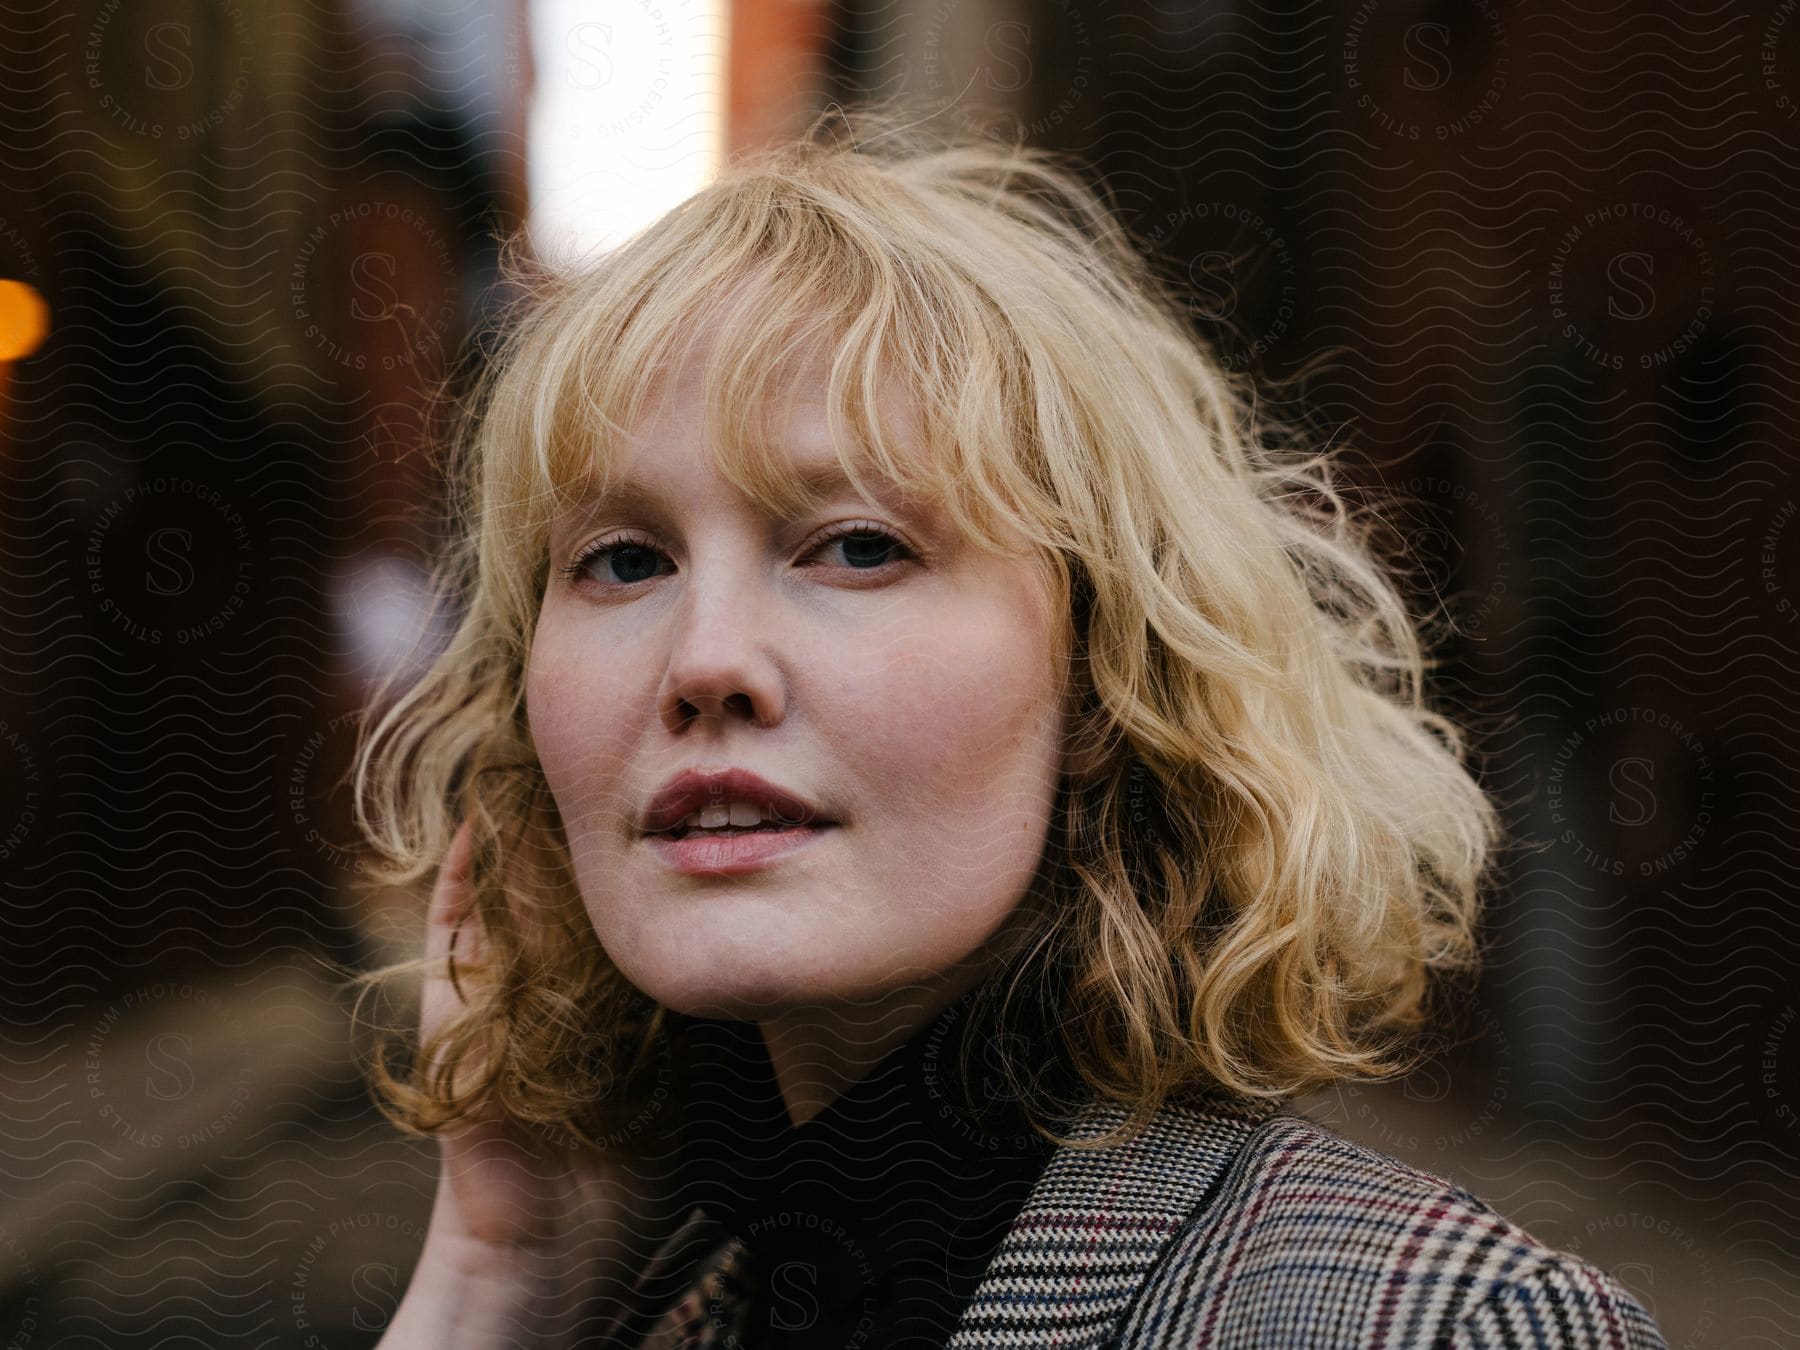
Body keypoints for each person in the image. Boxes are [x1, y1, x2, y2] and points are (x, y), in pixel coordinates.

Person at [350, 103, 1669, 1349]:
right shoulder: (666, 1294)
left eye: (858, 545)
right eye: (624, 561)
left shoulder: (1434, 1324)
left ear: (1102, 678)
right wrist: (490, 1279)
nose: (704, 661)